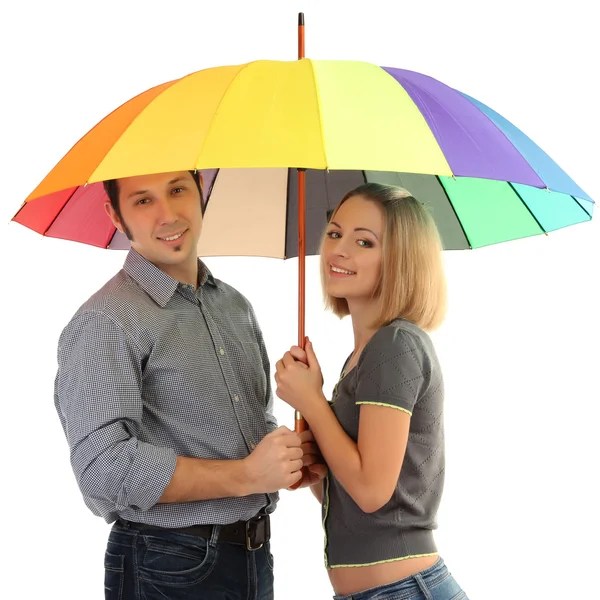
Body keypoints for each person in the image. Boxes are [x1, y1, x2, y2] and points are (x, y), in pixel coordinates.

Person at [54, 169, 326, 600]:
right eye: (143, 200)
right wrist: (245, 475)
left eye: (178, 190)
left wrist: (288, 457)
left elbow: (249, 429)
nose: (168, 214)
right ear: (115, 215)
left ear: (201, 191)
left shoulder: (234, 305)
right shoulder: (106, 321)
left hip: (254, 556)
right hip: (166, 564)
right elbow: (102, 472)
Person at [274, 183, 468, 599]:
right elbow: (361, 500)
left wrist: (311, 400)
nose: (339, 249)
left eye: (364, 241)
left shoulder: (393, 346)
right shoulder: (361, 357)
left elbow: (371, 492)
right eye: (334, 233)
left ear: (401, 260)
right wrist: (319, 474)